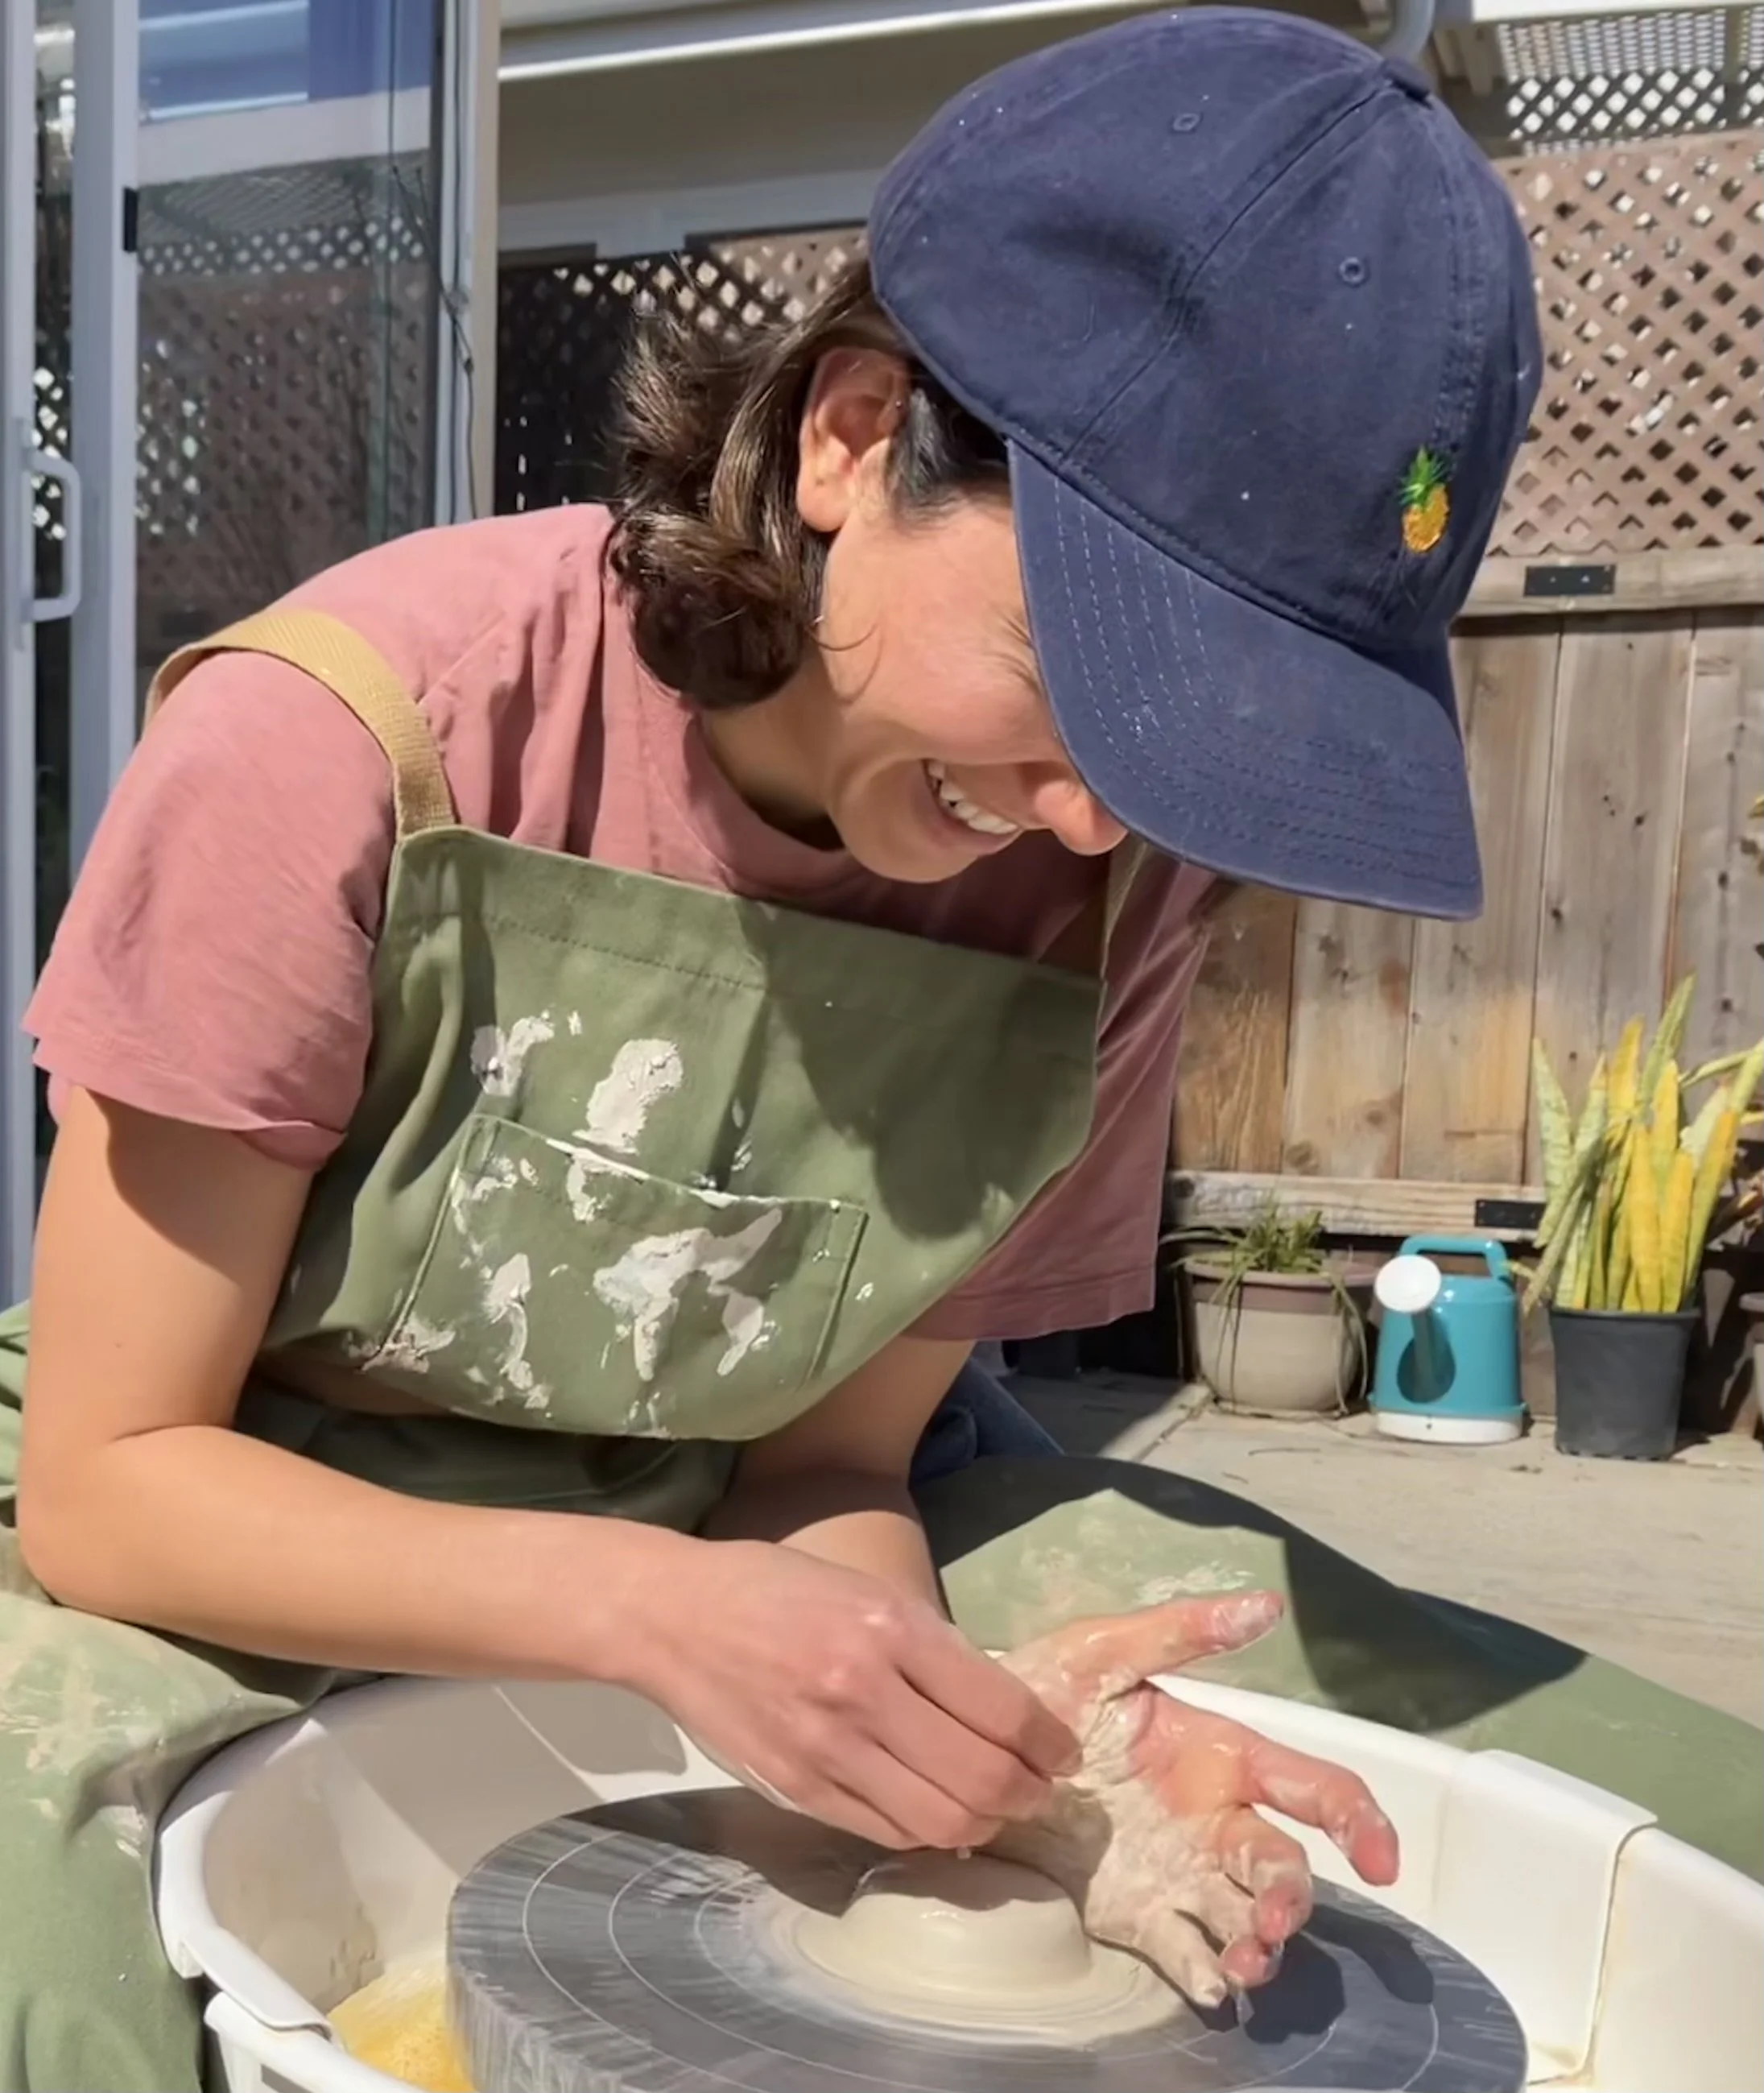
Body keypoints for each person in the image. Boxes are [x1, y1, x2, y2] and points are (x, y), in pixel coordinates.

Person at [2, 10, 1758, 2088]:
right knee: (62, 1971)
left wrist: (1010, 1765)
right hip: (242, 1507)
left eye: (1209, 745)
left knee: (1625, 1786)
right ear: (847, 440)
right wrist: (658, 1617)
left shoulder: (1107, 877)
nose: (1104, 816)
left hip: (767, 1512)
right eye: (1082, 679)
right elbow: (104, 1493)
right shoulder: (337, 740)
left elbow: (829, 1463)